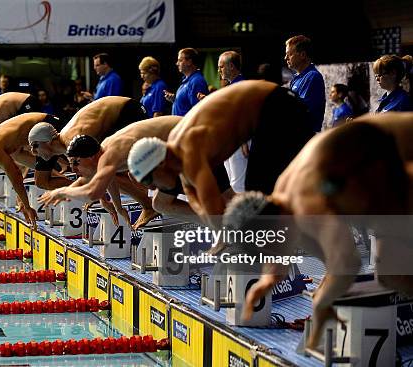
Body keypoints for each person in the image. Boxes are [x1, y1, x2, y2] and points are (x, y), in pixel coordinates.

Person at [222, 112, 413, 349]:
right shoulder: (283, 198)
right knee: (393, 272)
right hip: (388, 169)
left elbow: (347, 263)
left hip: (404, 151)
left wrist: (321, 303)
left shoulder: (305, 200)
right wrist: (271, 276)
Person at [127, 80, 315, 227]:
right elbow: (197, 201)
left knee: (258, 197)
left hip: (279, 108)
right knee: (256, 200)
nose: (151, 188)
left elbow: (213, 206)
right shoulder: (178, 157)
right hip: (268, 111)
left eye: (148, 181)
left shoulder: (189, 153)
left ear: (160, 164)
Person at [38, 116, 182, 229]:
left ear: (90, 156)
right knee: (141, 182)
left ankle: (203, 217)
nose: (74, 169)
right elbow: (108, 178)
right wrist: (117, 207)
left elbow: (92, 192)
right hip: (176, 136)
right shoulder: (103, 152)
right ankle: (201, 215)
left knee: (160, 202)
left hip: (184, 134)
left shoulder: (108, 155)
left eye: (76, 163)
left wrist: (61, 191)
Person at [0, 112, 72, 228]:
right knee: (42, 178)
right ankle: (77, 186)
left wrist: (27, 206)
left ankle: (80, 188)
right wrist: (21, 199)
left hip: (45, 130)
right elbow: (22, 171)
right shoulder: (1, 147)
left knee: (42, 181)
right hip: (42, 132)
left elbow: (16, 177)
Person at [217, 50, 248, 194]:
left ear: (231, 66)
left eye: (221, 66)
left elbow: (243, 116)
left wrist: (243, 141)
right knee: (231, 181)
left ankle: (242, 215)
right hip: (229, 141)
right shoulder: (231, 86)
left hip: (238, 141)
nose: (219, 70)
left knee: (238, 183)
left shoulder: (241, 86)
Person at [285, 35, 326, 132]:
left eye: (289, 54)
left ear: (302, 55)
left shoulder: (312, 76)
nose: (285, 58)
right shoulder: (296, 78)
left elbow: (300, 111)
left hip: (306, 136)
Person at [164, 48, 208, 116]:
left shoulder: (196, 81)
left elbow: (197, 111)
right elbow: (186, 105)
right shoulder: (187, 80)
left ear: (189, 62)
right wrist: (174, 100)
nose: (177, 63)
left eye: (180, 60)